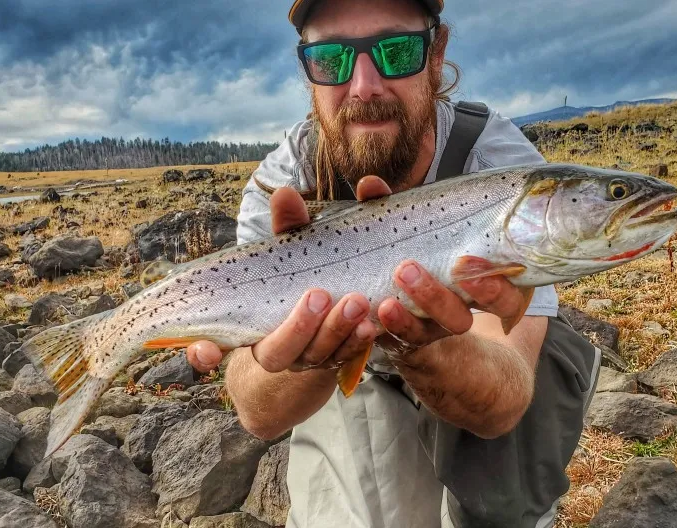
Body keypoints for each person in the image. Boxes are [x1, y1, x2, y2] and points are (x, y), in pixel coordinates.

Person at [186, 0, 601, 526]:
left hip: (477, 352)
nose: (364, 86)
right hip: (350, 375)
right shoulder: (282, 182)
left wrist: (418, 346)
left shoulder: (503, 170)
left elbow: (504, 402)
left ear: (436, 54)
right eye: (331, 60)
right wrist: (308, 357)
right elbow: (257, 411)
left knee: (500, 503)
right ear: (307, 72)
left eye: (396, 51)